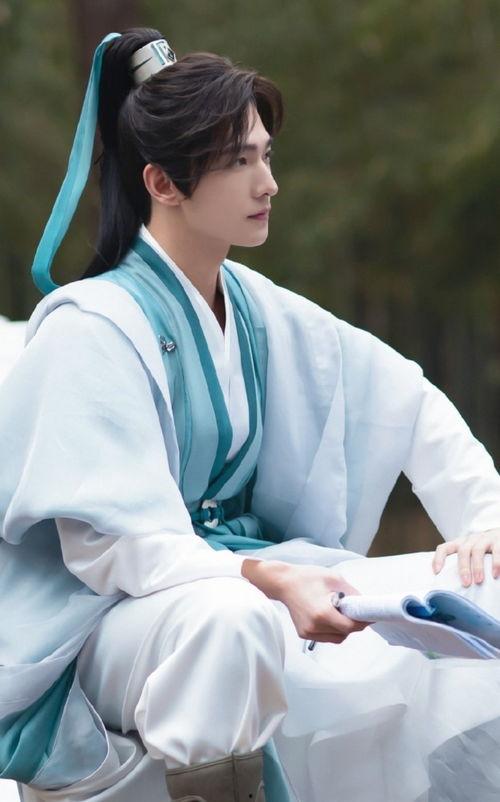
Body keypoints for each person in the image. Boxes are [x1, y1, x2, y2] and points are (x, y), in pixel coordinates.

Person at [2, 26, 500, 802]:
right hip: (105, 620)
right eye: (239, 162)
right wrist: (266, 576)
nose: (268, 183)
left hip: (238, 577)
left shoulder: (258, 308)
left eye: (266, 155)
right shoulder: (90, 328)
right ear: (163, 182)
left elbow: (406, 400)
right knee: (229, 621)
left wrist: (484, 520)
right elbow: (113, 549)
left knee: (474, 596)